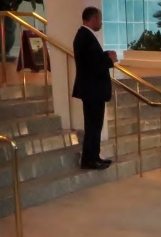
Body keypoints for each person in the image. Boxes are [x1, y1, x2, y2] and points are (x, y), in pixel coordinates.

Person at [72, 7, 118, 170]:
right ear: (92, 19)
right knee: (92, 126)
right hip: (92, 90)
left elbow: (93, 58)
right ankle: (89, 159)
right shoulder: (85, 37)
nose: (101, 22)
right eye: (99, 19)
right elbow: (93, 65)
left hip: (92, 89)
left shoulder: (85, 36)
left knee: (95, 125)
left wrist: (105, 55)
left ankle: (94, 156)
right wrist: (110, 60)